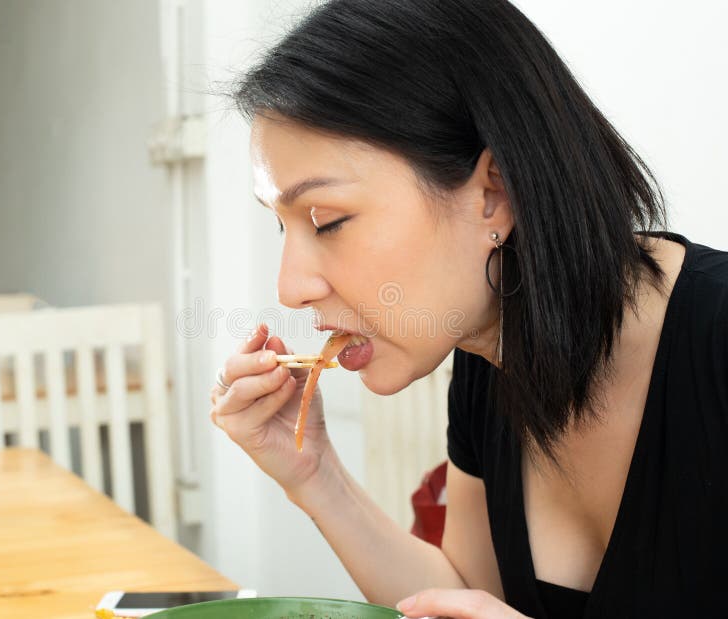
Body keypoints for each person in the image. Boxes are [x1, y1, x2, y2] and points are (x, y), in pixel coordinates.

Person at [208, 1, 728, 617]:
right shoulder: (488, 355)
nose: (291, 287)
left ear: (494, 192)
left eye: (328, 220)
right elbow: (467, 596)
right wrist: (315, 476)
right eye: (282, 227)